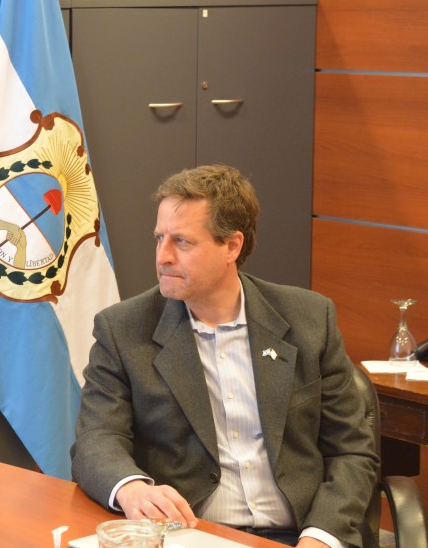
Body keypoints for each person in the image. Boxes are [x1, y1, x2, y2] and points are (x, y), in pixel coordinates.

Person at [71, 165, 378, 547]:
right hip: (194, 533)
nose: (163, 256)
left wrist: (320, 537)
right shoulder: (124, 329)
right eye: (159, 238)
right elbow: (97, 439)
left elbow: (351, 451)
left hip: (299, 534)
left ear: (231, 246)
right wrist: (133, 489)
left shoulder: (310, 320)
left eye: (181, 242)